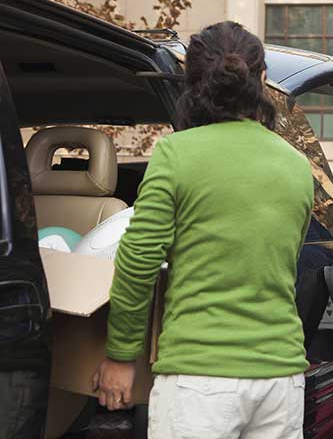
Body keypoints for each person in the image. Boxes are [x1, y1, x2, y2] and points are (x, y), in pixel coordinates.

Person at [93, 21, 314, 438]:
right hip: (282, 379)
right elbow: (282, 260)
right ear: (263, 80)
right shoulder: (297, 165)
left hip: (200, 380)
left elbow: (138, 261)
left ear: (191, 85)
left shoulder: (176, 155)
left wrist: (121, 355)